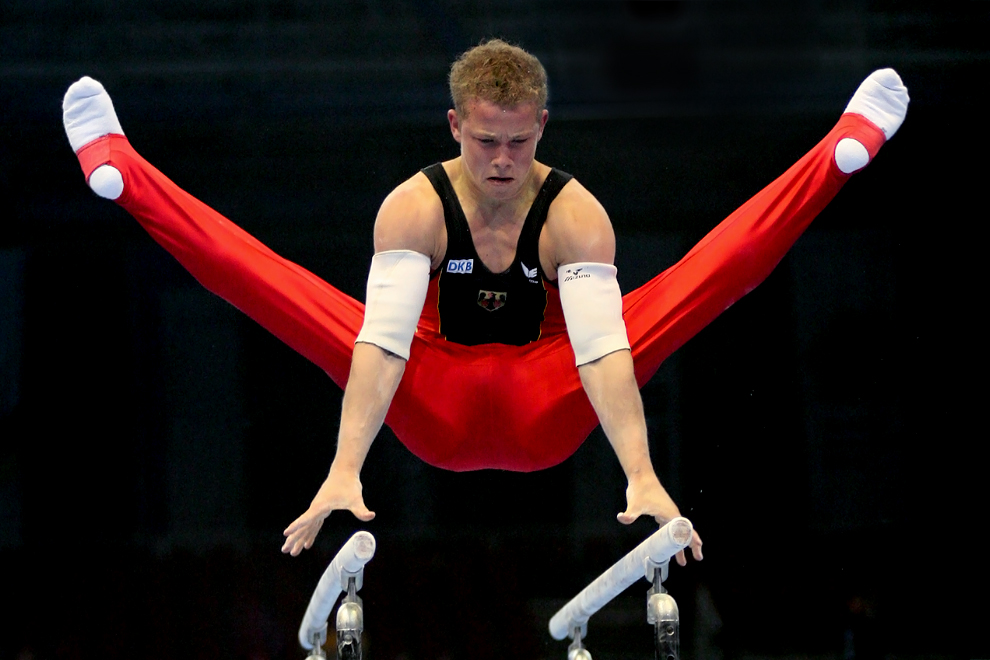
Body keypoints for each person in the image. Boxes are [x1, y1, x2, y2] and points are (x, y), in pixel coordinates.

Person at [62, 39, 907, 566]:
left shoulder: (575, 214)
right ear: (453, 126)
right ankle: (119, 168)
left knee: (688, 291)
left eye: (520, 140)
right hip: (435, 404)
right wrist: (345, 468)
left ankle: (838, 153)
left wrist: (643, 478)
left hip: (550, 405)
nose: (502, 160)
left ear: (544, 124)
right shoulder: (415, 205)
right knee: (285, 292)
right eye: (485, 140)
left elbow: (607, 356)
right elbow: (385, 349)